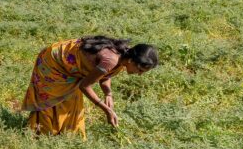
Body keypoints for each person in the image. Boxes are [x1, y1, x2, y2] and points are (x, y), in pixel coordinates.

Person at [22, 36, 159, 135]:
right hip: (53, 62)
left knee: (70, 97)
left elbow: (105, 76)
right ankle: (41, 132)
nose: (139, 74)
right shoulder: (111, 60)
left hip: (69, 67)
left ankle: (64, 134)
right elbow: (84, 86)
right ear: (131, 61)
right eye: (140, 70)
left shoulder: (123, 57)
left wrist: (108, 93)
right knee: (51, 97)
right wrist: (106, 110)